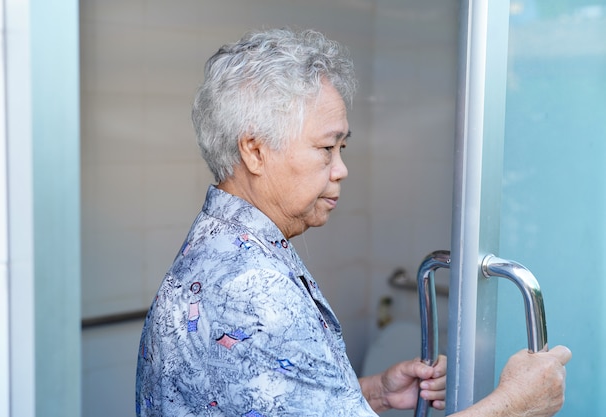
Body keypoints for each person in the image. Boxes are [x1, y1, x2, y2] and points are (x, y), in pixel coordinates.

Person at [135, 28, 570, 416]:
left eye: (343, 147)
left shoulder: (218, 244)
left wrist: (373, 394)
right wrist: (518, 404)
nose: (341, 169)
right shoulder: (251, 292)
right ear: (254, 151)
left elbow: (251, 394)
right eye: (326, 148)